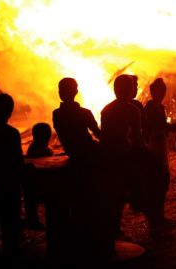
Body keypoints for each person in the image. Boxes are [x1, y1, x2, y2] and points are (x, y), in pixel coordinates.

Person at [53, 77, 105, 261]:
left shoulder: (57, 114)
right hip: (89, 158)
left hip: (75, 157)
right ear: (76, 92)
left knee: (77, 200)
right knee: (90, 199)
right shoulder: (84, 113)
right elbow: (99, 135)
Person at [101, 74, 145, 240]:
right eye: (132, 87)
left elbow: (104, 136)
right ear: (128, 90)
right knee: (120, 195)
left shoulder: (106, 109)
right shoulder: (132, 110)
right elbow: (138, 138)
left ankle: (111, 229)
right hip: (123, 157)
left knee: (112, 195)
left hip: (107, 156)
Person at [144, 78, 176, 229]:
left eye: (163, 90)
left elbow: (160, 125)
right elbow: (153, 125)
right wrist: (169, 128)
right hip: (154, 147)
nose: (162, 93)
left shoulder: (159, 107)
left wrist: (169, 127)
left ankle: (159, 218)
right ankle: (156, 220)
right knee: (157, 183)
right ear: (153, 92)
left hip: (160, 146)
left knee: (162, 183)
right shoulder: (150, 107)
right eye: (160, 90)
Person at [0, 94, 23, 262]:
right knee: (10, 225)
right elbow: (17, 159)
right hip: (8, 185)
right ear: (10, 112)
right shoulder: (12, 133)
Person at [22, 122, 54, 231]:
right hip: (39, 185)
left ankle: (32, 219)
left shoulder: (34, 147)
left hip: (33, 184)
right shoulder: (42, 150)